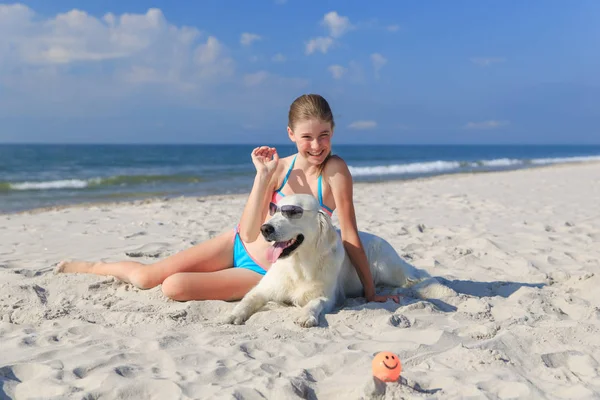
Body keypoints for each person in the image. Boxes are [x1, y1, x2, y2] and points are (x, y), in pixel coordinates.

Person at [57, 94, 399, 304]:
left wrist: (370, 292)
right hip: (235, 244)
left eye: (324, 135)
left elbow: (350, 235)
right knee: (147, 278)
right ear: (291, 135)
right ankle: (94, 267)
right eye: (307, 136)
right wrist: (262, 178)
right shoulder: (278, 168)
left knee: (173, 287)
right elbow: (250, 232)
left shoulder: (336, 172)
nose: (316, 145)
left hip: (266, 272)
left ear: (333, 132)